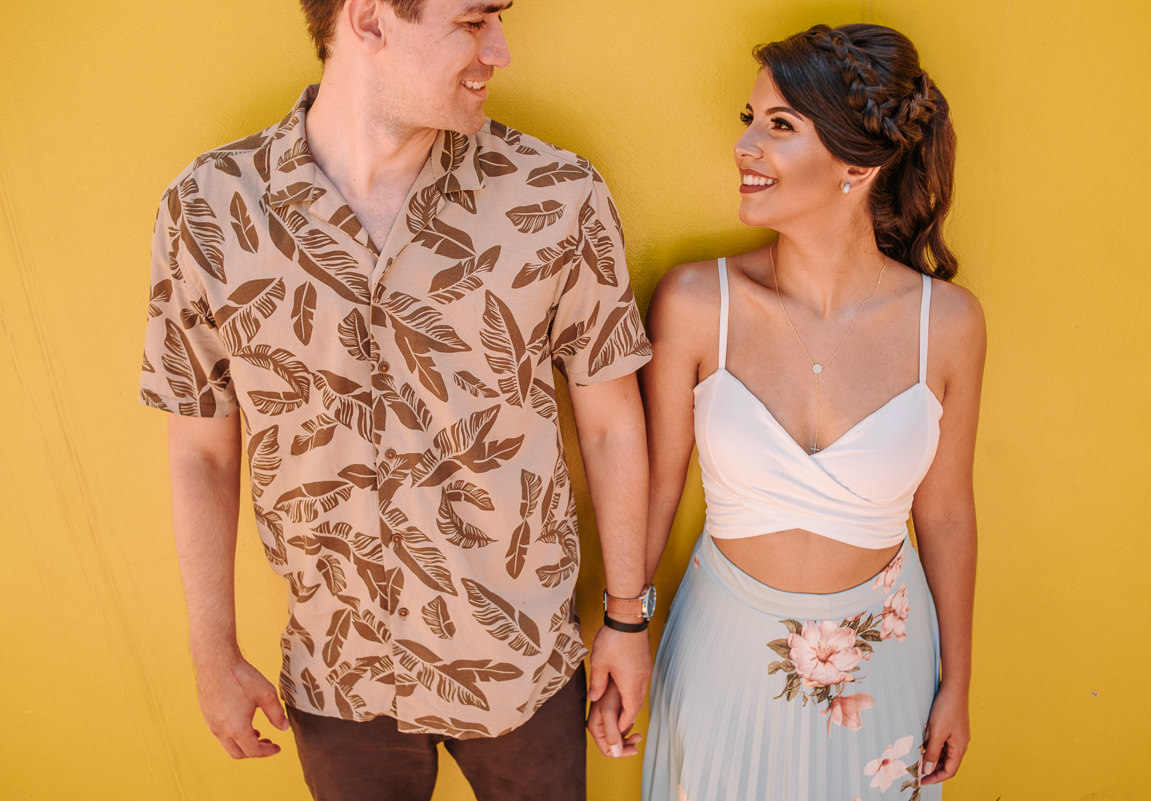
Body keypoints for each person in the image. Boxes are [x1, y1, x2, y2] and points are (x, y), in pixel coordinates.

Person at [138, 1, 657, 798]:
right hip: (337, 671)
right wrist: (212, 650)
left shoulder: (556, 195)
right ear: (370, 19)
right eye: (473, 21)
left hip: (519, 664)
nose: (500, 50)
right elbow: (200, 450)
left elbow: (612, 424)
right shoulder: (208, 211)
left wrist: (626, 616)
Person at [589, 23, 984, 800]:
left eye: (778, 125)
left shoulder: (948, 324)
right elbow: (657, 486)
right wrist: (624, 626)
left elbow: (946, 513)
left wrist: (957, 682)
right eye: (750, 119)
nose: (744, 145)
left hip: (885, 664)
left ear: (857, 165)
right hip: (721, 653)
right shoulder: (698, 301)